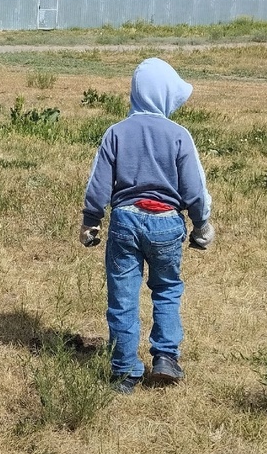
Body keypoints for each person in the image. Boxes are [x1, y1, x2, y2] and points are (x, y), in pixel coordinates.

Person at [79, 58, 214, 394]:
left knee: (122, 296)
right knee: (167, 288)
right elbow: (195, 189)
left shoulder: (116, 133)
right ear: (166, 95)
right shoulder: (179, 136)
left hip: (124, 221)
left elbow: (98, 185)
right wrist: (201, 225)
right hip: (167, 224)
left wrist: (91, 221)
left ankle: (125, 372)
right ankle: (166, 357)